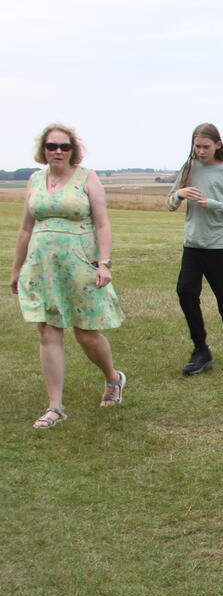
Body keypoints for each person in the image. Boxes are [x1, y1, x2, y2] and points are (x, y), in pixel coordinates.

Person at [10, 124, 126, 428]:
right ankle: (55, 407)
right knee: (48, 331)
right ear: (43, 150)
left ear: (73, 149)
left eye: (64, 146)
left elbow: (102, 224)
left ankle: (113, 379)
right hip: (42, 268)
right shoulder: (35, 180)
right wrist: (16, 268)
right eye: (52, 146)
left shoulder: (87, 178)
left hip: (79, 265)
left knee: (86, 333)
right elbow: (25, 228)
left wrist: (104, 264)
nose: (58, 151)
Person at [167, 123, 223, 374]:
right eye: (197, 146)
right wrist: (180, 193)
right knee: (185, 292)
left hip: (219, 245)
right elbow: (170, 203)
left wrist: (215, 204)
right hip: (193, 244)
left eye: (205, 146)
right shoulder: (189, 167)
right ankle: (200, 350)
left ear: (218, 145)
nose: (201, 151)